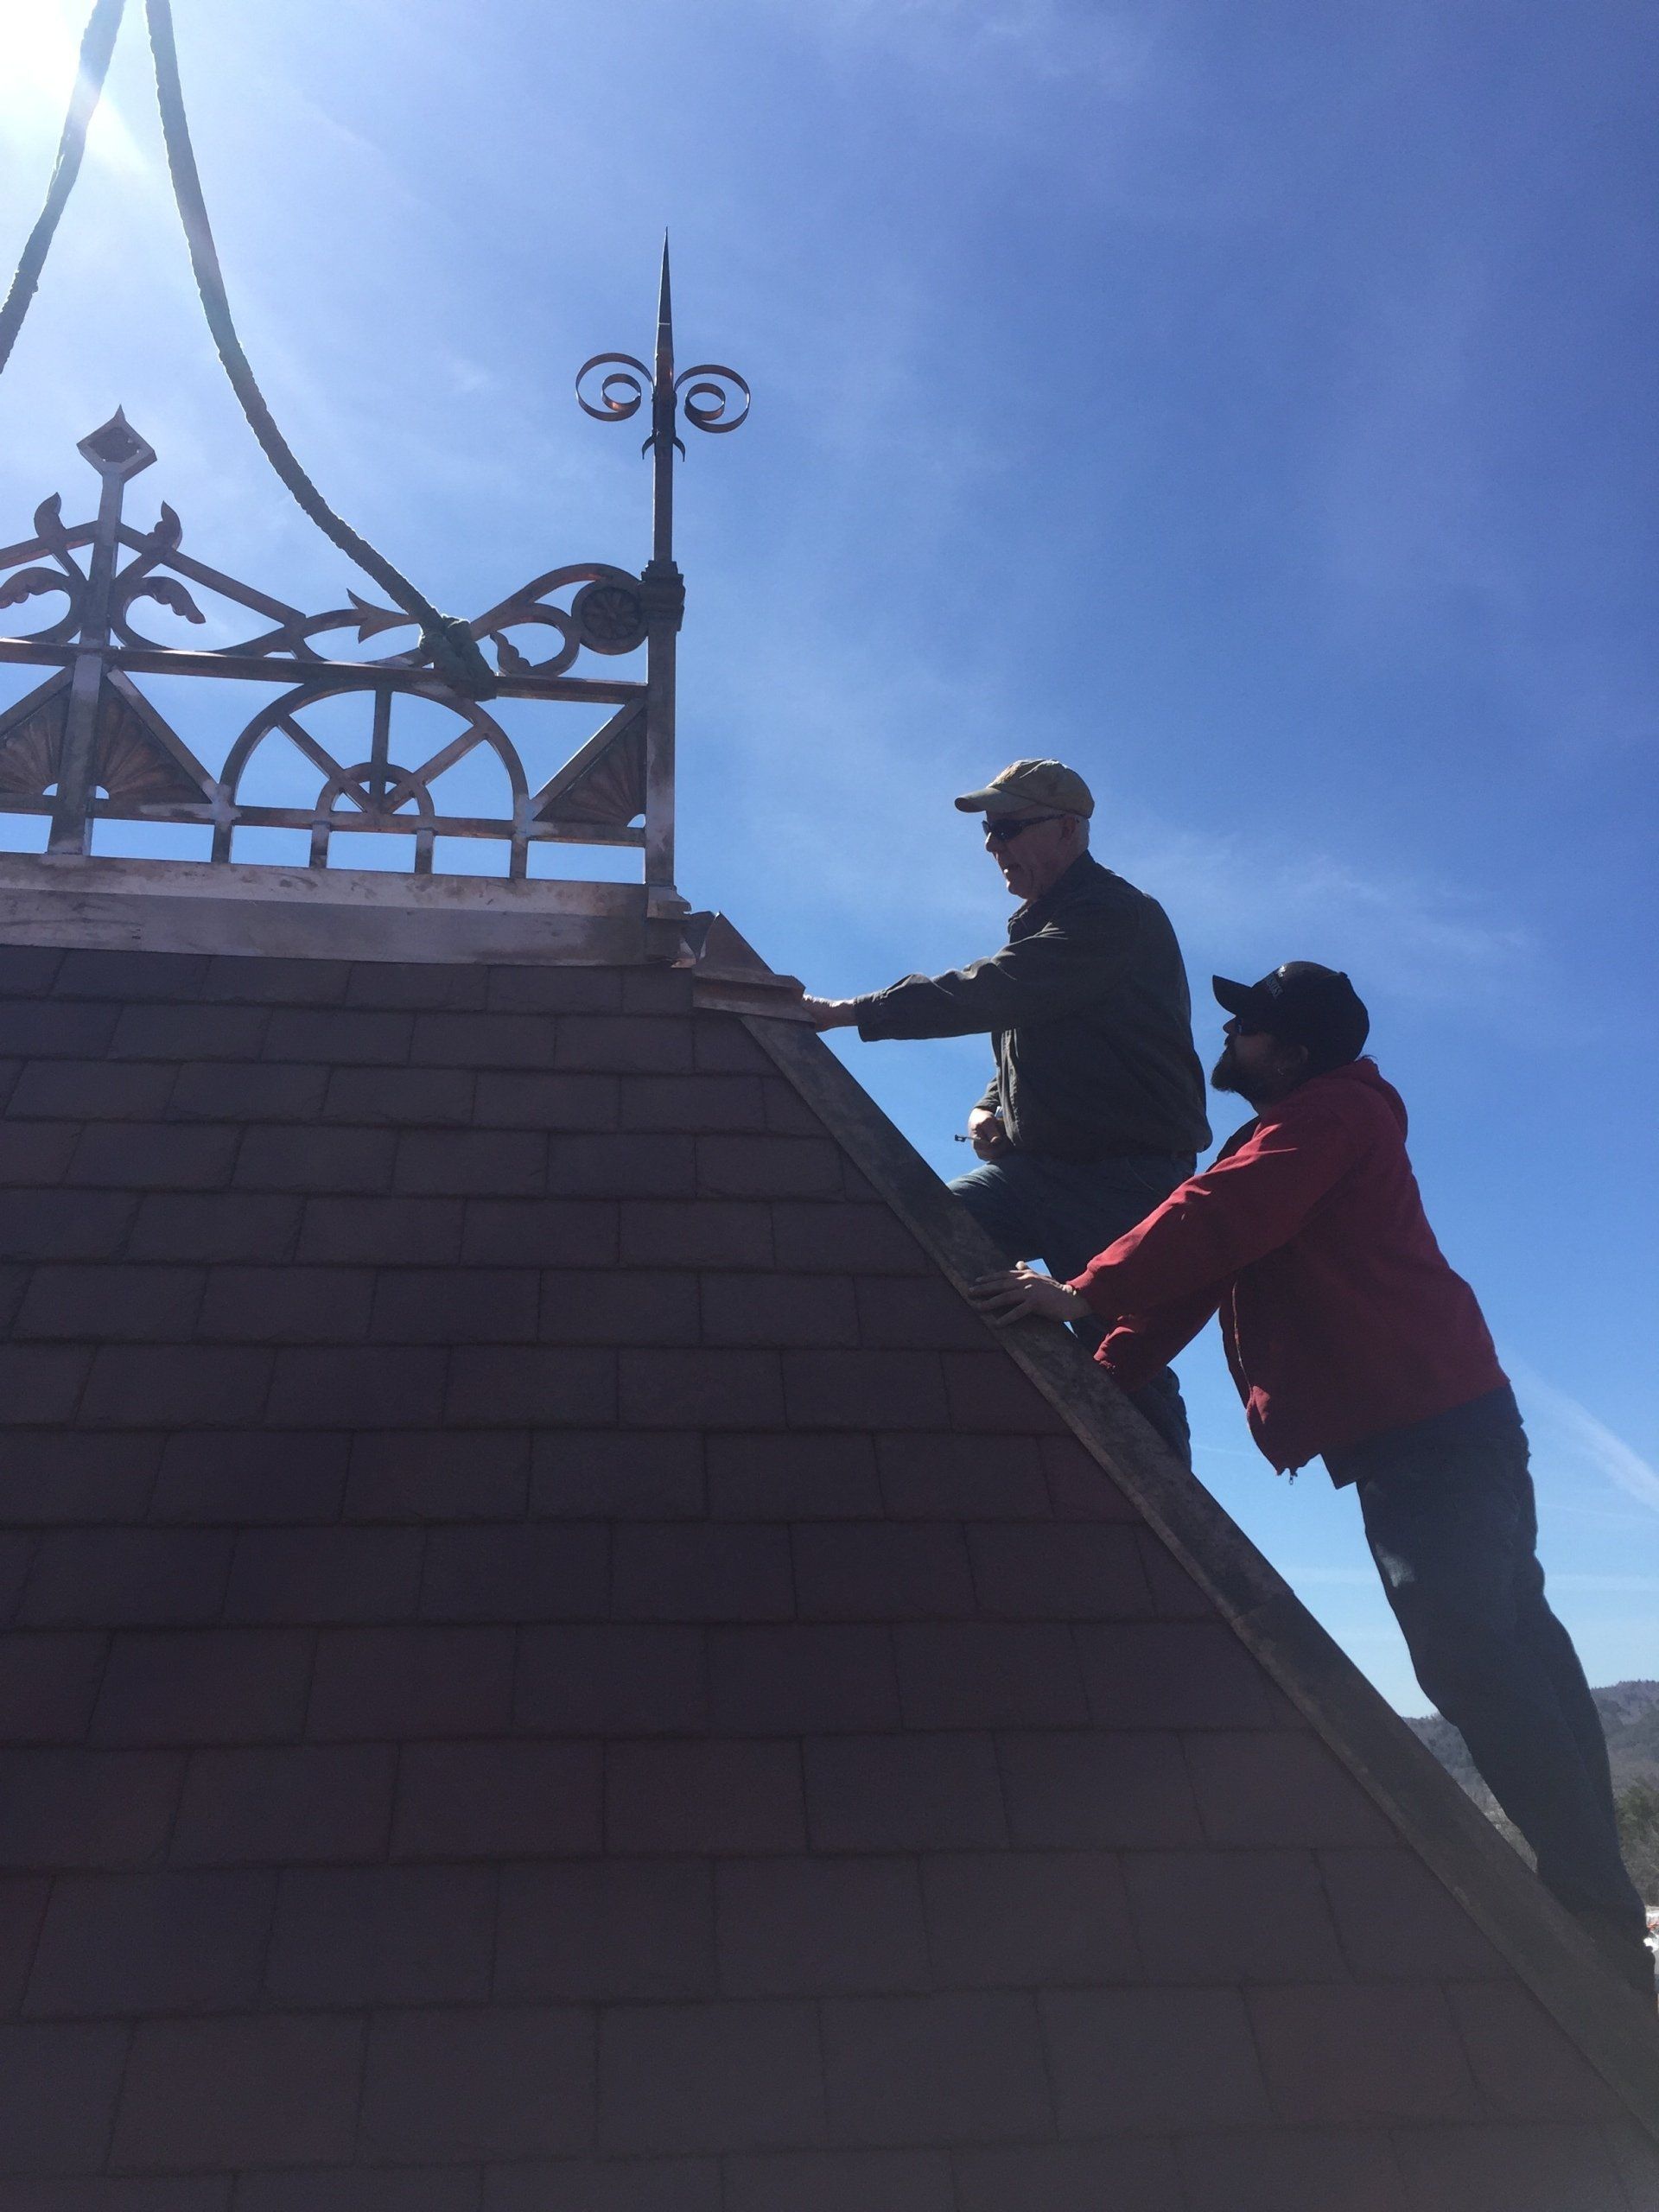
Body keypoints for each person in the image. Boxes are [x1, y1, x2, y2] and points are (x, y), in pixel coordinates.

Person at [969, 961, 1651, 1997]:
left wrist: (1078, 1289)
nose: (1228, 1038)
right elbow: (1205, 1264)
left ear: (1285, 1049)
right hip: (1437, 1421)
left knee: (1473, 1643)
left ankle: (1594, 1923)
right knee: (1515, 1643)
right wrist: (1093, 1373)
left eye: (1245, 1029)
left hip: (1432, 1429)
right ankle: (1598, 1912)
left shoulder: (1330, 1115)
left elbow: (1222, 1216)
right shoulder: (1302, 1128)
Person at [802, 758, 1211, 1455]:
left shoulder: (1114, 915)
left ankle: (1181, 1540)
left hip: (1123, 1179)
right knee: (915, 1234)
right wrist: (989, 1106)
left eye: (1010, 827)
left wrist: (845, 1013)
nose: (993, 845)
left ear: (1070, 831)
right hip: (1034, 1174)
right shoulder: (1049, 924)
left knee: (1126, 1357)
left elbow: (999, 988)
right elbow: (1028, 1024)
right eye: (989, 831)